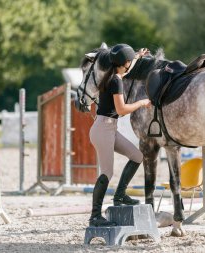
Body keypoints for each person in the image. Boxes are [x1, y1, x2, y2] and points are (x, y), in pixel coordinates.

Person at [89, 44, 151, 227]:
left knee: (137, 156)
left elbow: (126, 69)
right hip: (103, 130)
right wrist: (141, 103)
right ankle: (94, 216)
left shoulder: (113, 76)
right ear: (124, 63)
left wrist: (138, 56)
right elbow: (122, 109)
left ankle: (120, 195)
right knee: (107, 172)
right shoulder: (116, 81)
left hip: (108, 128)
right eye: (130, 61)